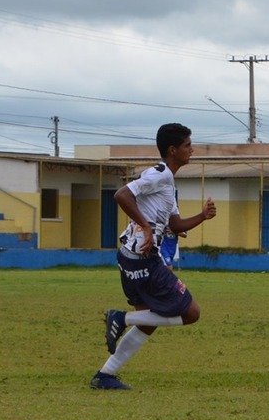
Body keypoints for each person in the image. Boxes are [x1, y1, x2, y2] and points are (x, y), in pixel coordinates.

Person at [93, 123, 217, 390]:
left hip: (130, 256)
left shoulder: (169, 183)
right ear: (173, 150)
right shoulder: (158, 173)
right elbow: (122, 194)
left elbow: (175, 224)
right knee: (191, 312)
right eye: (187, 145)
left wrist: (202, 217)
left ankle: (105, 375)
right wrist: (147, 227)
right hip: (143, 259)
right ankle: (120, 318)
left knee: (149, 320)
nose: (192, 150)